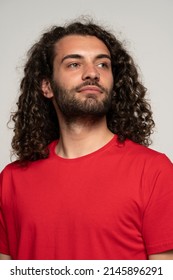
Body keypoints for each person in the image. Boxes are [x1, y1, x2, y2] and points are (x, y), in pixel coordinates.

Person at [0, 18, 173, 260]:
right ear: (47, 86)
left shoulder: (154, 171)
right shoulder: (11, 180)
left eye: (103, 64)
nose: (92, 73)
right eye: (73, 64)